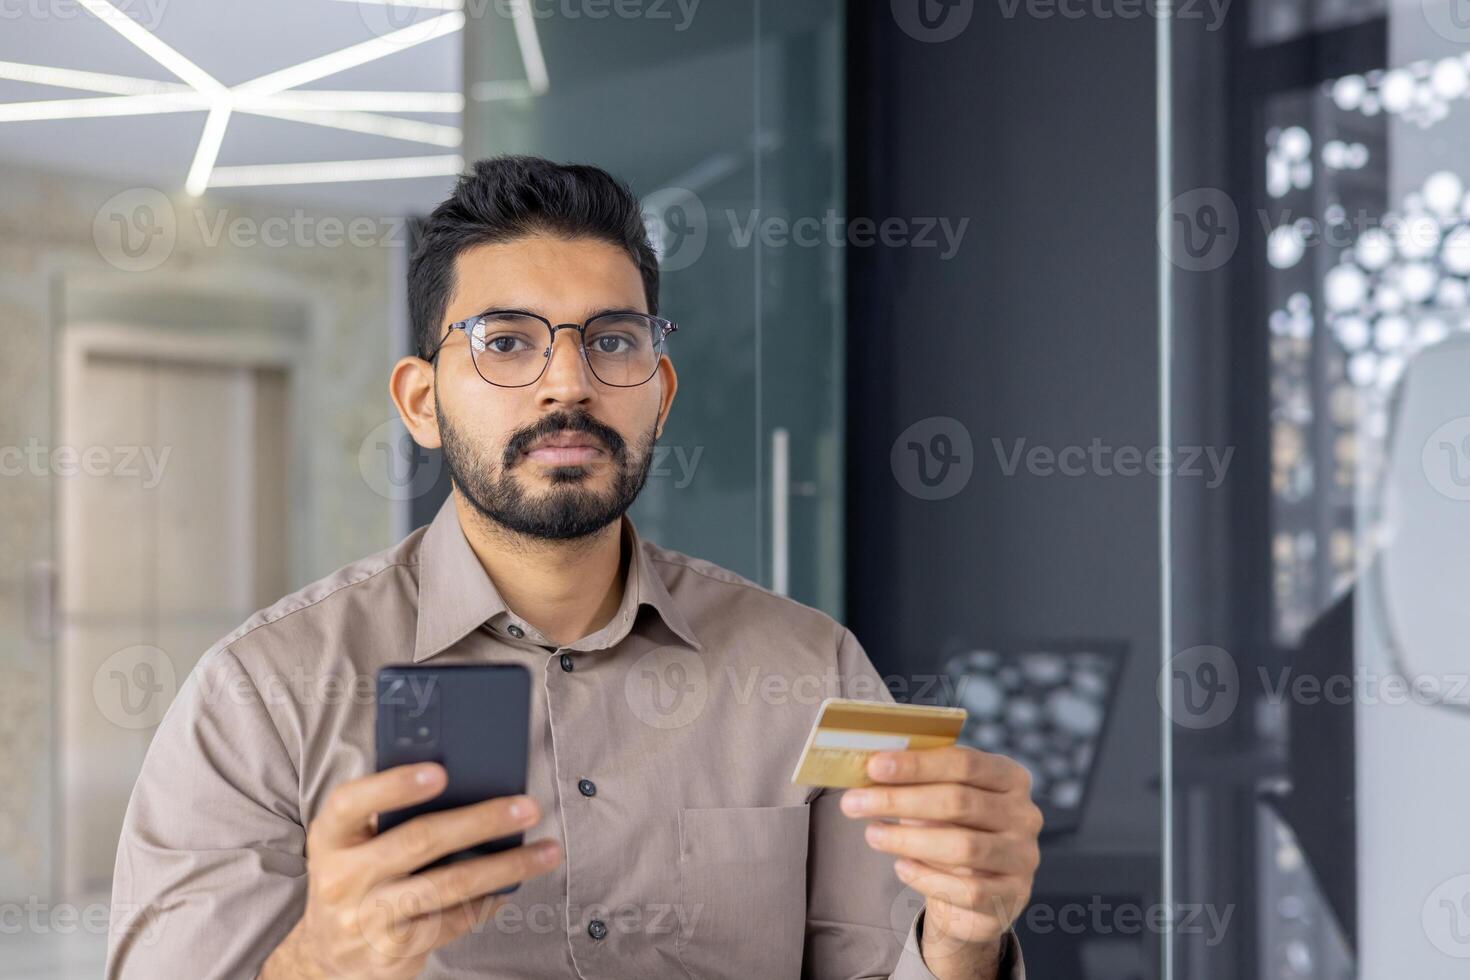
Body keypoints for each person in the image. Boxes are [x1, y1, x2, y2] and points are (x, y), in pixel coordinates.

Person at [105, 156, 1039, 980]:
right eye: (506, 341)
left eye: (613, 341)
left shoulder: (809, 670)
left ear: (659, 394)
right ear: (422, 402)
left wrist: (961, 944)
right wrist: (325, 963)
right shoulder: (261, 695)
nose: (568, 382)